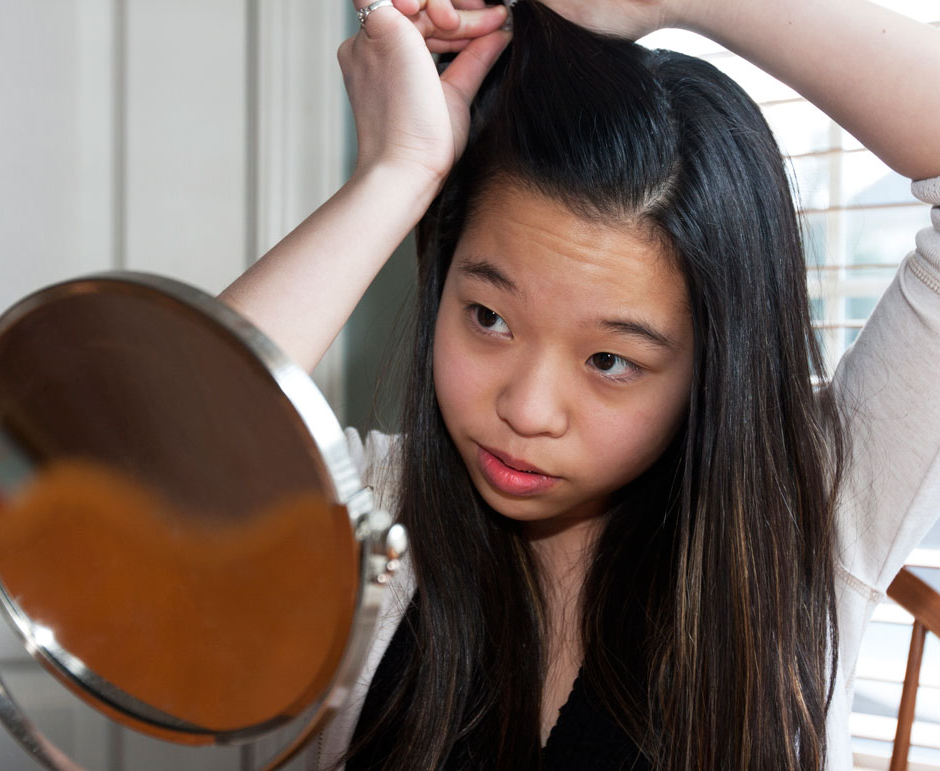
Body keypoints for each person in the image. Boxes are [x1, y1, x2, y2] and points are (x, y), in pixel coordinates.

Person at [220, 0, 940, 768]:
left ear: (709, 368)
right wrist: (397, 173)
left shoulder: (805, 526)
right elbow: (147, 450)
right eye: (490, 316)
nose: (524, 410)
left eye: (609, 362)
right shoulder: (374, 516)